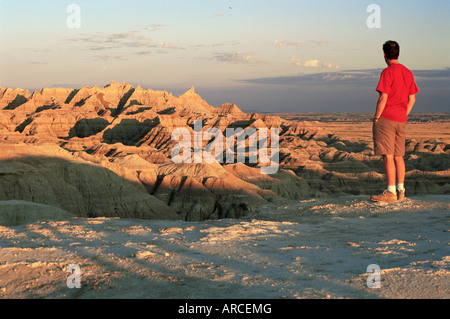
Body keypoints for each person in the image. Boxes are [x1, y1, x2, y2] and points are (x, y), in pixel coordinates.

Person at [370, 40, 419, 203]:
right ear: (398, 53)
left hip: (387, 118)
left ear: (384, 55)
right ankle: (401, 191)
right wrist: (404, 114)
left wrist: (377, 117)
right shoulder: (408, 72)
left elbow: (383, 97)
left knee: (388, 156)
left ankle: (390, 192)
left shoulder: (387, 72)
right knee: (399, 156)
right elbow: (412, 98)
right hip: (401, 119)